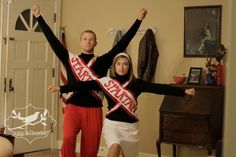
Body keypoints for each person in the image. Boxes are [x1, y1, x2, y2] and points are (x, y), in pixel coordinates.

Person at [31, 4, 147, 157]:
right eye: (85, 39)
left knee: (91, 150)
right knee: (67, 139)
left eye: (91, 39)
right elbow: (53, 41)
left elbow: (122, 43)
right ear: (80, 42)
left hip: (94, 109)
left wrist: (138, 20)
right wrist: (39, 17)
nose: (88, 41)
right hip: (73, 107)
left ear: (95, 43)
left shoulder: (103, 61)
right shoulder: (70, 59)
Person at [48, 53, 196, 157]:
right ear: (114, 66)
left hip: (131, 129)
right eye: (118, 64)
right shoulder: (105, 82)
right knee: (114, 146)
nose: (122, 67)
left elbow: (159, 88)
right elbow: (82, 85)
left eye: (125, 64)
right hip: (112, 125)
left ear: (129, 66)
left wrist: (183, 92)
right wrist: (61, 88)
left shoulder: (137, 83)